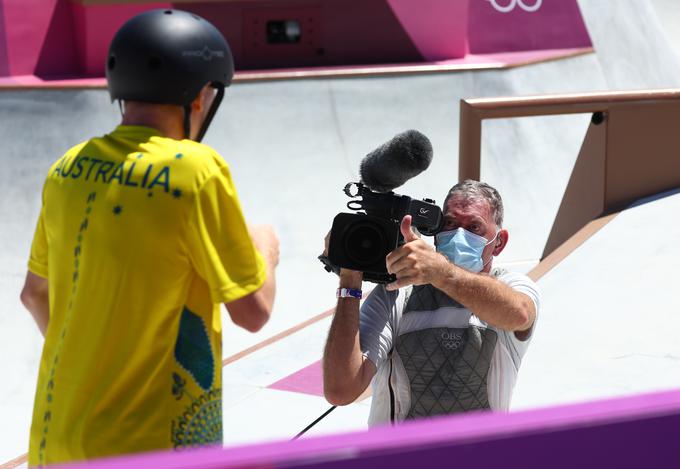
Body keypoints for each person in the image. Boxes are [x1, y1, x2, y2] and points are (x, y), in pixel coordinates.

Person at [19, 9, 279, 466]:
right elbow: (253, 311)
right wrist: (267, 249)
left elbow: (34, 294)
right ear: (200, 96)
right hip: (146, 446)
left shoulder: (68, 168)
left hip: (54, 438)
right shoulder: (195, 170)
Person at [323, 180, 539, 425]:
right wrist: (350, 279)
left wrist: (442, 272)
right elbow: (341, 390)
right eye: (449, 223)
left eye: (474, 227)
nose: (459, 234)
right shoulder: (398, 292)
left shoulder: (512, 286)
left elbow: (519, 315)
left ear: (499, 242)